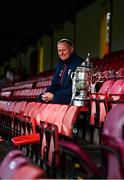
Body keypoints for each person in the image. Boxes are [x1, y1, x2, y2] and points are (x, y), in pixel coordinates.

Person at [38, 38, 83, 104]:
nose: (61, 53)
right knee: (40, 98)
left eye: (64, 50)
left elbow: (76, 89)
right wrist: (47, 94)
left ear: (71, 49)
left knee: (55, 99)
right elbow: (54, 84)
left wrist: (55, 96)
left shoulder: (79, 63)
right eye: (59, 51)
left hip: (71, 96)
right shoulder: (60, 64)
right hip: (59, 95)